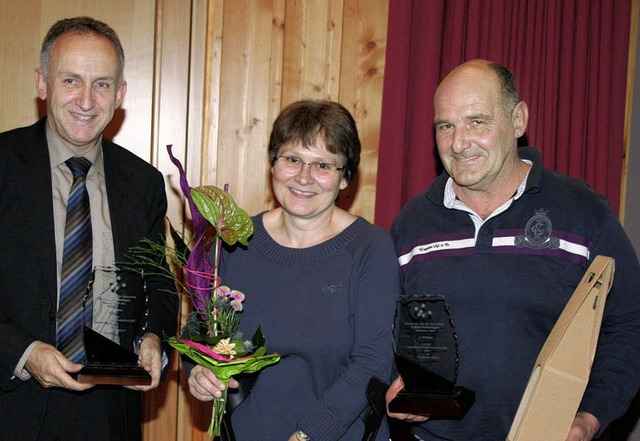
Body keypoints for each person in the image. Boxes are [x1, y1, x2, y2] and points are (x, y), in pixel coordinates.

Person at [385, 59, 640, 440]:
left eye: (477, 122)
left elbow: (630, 325)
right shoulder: (412, 225)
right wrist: (397, 380)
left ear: (517, 120)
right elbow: (387, 329)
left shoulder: (582, 212)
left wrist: (591, 415)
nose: (458, 143)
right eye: (445, 126)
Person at [0, 17, 178, 441]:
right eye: (70, 80)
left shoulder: (144, 183)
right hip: (11, 405)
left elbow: (160, 284)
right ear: (42, 84)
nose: (86, 100)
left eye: (101, 84)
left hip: (109, 414)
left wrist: (154, 338)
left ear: (119, 95)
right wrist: (24, 353)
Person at [186, 99, 401, 440]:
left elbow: (373, 364)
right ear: (273, 164)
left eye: (323, 165)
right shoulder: (232, 244)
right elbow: (201, 329)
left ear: (345, 179)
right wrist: (197, 370)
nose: (304, 177)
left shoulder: (370, 249)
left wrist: (309, 434)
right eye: (293, 159)